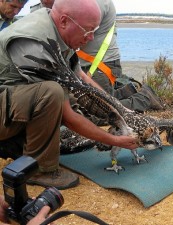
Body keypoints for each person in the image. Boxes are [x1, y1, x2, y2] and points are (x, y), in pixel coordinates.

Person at [0, 0, 138, 190]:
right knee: (52, 93)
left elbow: (80, 77)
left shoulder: (58, 30)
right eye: (88, 31)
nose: (91, 38)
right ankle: (40, 169)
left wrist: (119, 110)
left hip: (10, 102)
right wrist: (115, 141)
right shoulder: (35, 44)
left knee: (62, 95)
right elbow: (66, 114)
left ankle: (15, 144)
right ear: (65, 21)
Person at [78, 0, 164, 113]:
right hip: (88, 63)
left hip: (101, 65)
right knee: (86, 102)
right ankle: (130, 90)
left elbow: (78, 28)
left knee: (100, 112)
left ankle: (144, 98)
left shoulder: (99, 3)